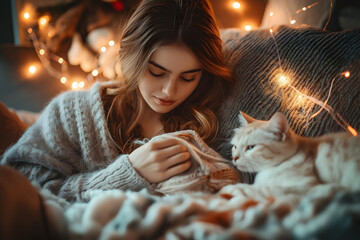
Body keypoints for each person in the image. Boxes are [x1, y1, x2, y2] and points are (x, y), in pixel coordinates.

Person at [1, 0, 232, 202]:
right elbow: (18, 189)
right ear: (129, 56)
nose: (169, 91)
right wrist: (127, 174)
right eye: (156, 73)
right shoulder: (73, 112)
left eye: (188, 77)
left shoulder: (210, 121)